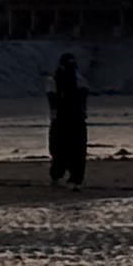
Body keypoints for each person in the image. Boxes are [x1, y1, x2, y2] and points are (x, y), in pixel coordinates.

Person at [45, 51, 89, 188]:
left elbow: (52, 100)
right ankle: (71, 178)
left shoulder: (55, 79)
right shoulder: (77, 79)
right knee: (71, 149)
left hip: (66, 119)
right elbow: (83, 99)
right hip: (71, 118)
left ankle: (64, 177)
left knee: (63, 148)